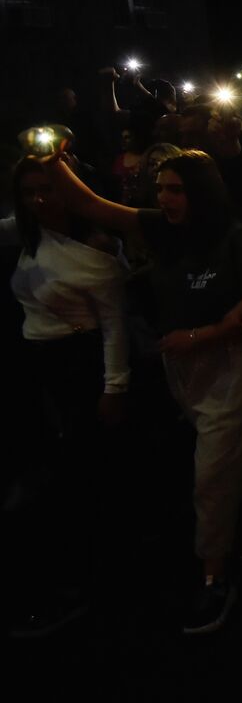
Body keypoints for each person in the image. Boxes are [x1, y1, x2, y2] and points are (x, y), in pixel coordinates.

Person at [46, 150, 242, 635]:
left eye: (176, 189)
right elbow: (92, 205)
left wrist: (207, 333)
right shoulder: (159, 229)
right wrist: (53, 164)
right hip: (184, 369)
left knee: (210, 476)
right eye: (161, 189)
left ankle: (214, 575)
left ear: (201, 192)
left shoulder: (236, 241)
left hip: (231, 364)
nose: (166, 198)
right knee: (234, 451)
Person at [4, 158, 130, 637]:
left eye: (49, 190)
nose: (40, 200)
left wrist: (114, 387)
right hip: (39, 364)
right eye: (31, 191)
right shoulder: (30, 232)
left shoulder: (94, 245)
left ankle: (85, 585)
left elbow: (115, 325)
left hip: (79, 363)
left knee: (78, 478)